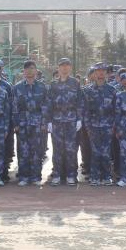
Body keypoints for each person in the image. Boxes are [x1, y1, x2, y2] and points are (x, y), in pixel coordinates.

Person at [47, 57, 83, 185]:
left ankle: (71, 175)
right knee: (57, 149)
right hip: (56, 121)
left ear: (70, 68)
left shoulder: (75, 83)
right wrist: (48, 121)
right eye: (62, 66)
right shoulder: (53, 85)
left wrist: (79, 119)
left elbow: (80, 102)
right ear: (58, 68)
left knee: (71, 149)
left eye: (67, 66)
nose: (64, 68)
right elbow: (48, 103)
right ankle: (57, 174)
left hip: (71, 121)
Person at [13, 60, 48, 186]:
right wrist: (16, 123)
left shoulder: (42, 87)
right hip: (22, 123)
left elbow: (45, 106)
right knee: (23, 150)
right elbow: (14, 107)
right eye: (27, 69)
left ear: (36, 71)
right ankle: (23, 176)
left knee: (37, 150)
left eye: (32, 68)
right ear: (23, 71)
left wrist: (44, 122)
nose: (29, 71)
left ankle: (36, 176)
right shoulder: (17, 87)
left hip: (37, 123)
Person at [82, 64, 117, 185]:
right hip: (93, 125)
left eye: (103, 71)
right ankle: (95, 176)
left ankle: (106, 176)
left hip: (108, 125)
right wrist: (87, 126)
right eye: (98, 71)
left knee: (106, 152)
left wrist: (114, 125)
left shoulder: (112, 90)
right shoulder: (87, 90)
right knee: (95, 152)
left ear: (106, 73)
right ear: (94, 73)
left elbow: (115, 110)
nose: (101, 73)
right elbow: (85, 110)